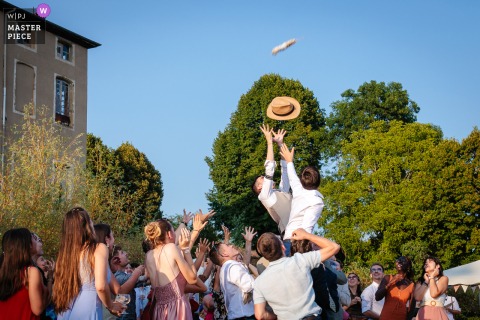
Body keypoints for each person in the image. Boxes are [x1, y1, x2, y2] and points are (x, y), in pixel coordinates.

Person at [253, 228, 340, 320]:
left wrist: (278, 316)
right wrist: (306, 235)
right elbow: (334, 247)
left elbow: (260, 315)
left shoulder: (259, 282)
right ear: (283, 247)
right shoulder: (300, 260)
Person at [53, 207, 124, 319]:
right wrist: (111, 306)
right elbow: (101, 286)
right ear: (86, 225)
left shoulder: (65, 256)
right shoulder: (98, 248)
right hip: (88, 307)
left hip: (66, 309)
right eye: (90, 220)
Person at [144, 219, 202, 320]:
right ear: (169, 234)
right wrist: (186, 250)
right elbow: (192, 279)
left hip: (159, 310)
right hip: (177, 308)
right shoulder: (171, 247)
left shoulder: (149, 255)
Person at [279, 143, 324, 252]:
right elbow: (306, 228)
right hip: (298, 245)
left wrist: (289, 161)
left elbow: (292, 176)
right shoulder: (316, 202)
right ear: (318, 181)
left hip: (287, 240)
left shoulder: (299, 190)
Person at [0, 228, 51, 320]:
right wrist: (47, 288)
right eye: (32, 237)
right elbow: (38, 309)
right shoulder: (31, 272)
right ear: (28, 245)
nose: (36, 239)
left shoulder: (3, 272)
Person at [252, 124, 291, 240]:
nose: (265, 177)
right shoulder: (264, 196)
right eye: (262, 178)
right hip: (290, 237)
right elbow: (270, 168)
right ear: (259, 188)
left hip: (303, 232)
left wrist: (280, 144)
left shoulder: (281, 192)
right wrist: (269, 142)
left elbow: (285, 170)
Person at [208, 241, 255, 320]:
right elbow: (250, 286)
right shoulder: (232, 266)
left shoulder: (225, 268)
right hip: (245, 315)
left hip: (237, 315)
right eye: (227, 245)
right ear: (224, 254)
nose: (232, 246)